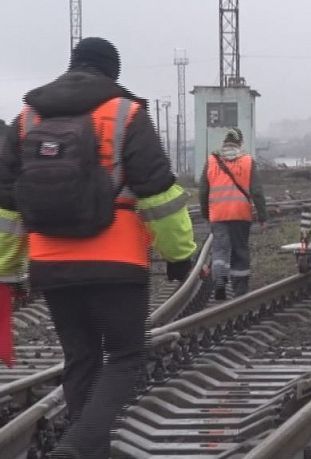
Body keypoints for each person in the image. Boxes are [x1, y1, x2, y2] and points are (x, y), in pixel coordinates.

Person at [0, 37, 197, 458]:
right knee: (127, 354)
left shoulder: (27, 119)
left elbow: (7, 206)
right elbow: (159, 195)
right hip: (116, 258)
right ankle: (78, 444)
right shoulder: (126, 114)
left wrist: (9, 269)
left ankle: (87, 449)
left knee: (80, 357)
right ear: (113, 73)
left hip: (50, 262)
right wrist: (180, 255)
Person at [199, 128, 268, 300]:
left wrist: (206, 213)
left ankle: (220, 280)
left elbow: (203, 191)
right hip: (240, 215)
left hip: (218, 215)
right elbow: (257, 191)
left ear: (224, 142)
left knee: (220, 251)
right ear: (240, 143)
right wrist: (262, 216)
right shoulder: (247, 161)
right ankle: (240, 292)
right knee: (240, 252)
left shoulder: (212, 161)